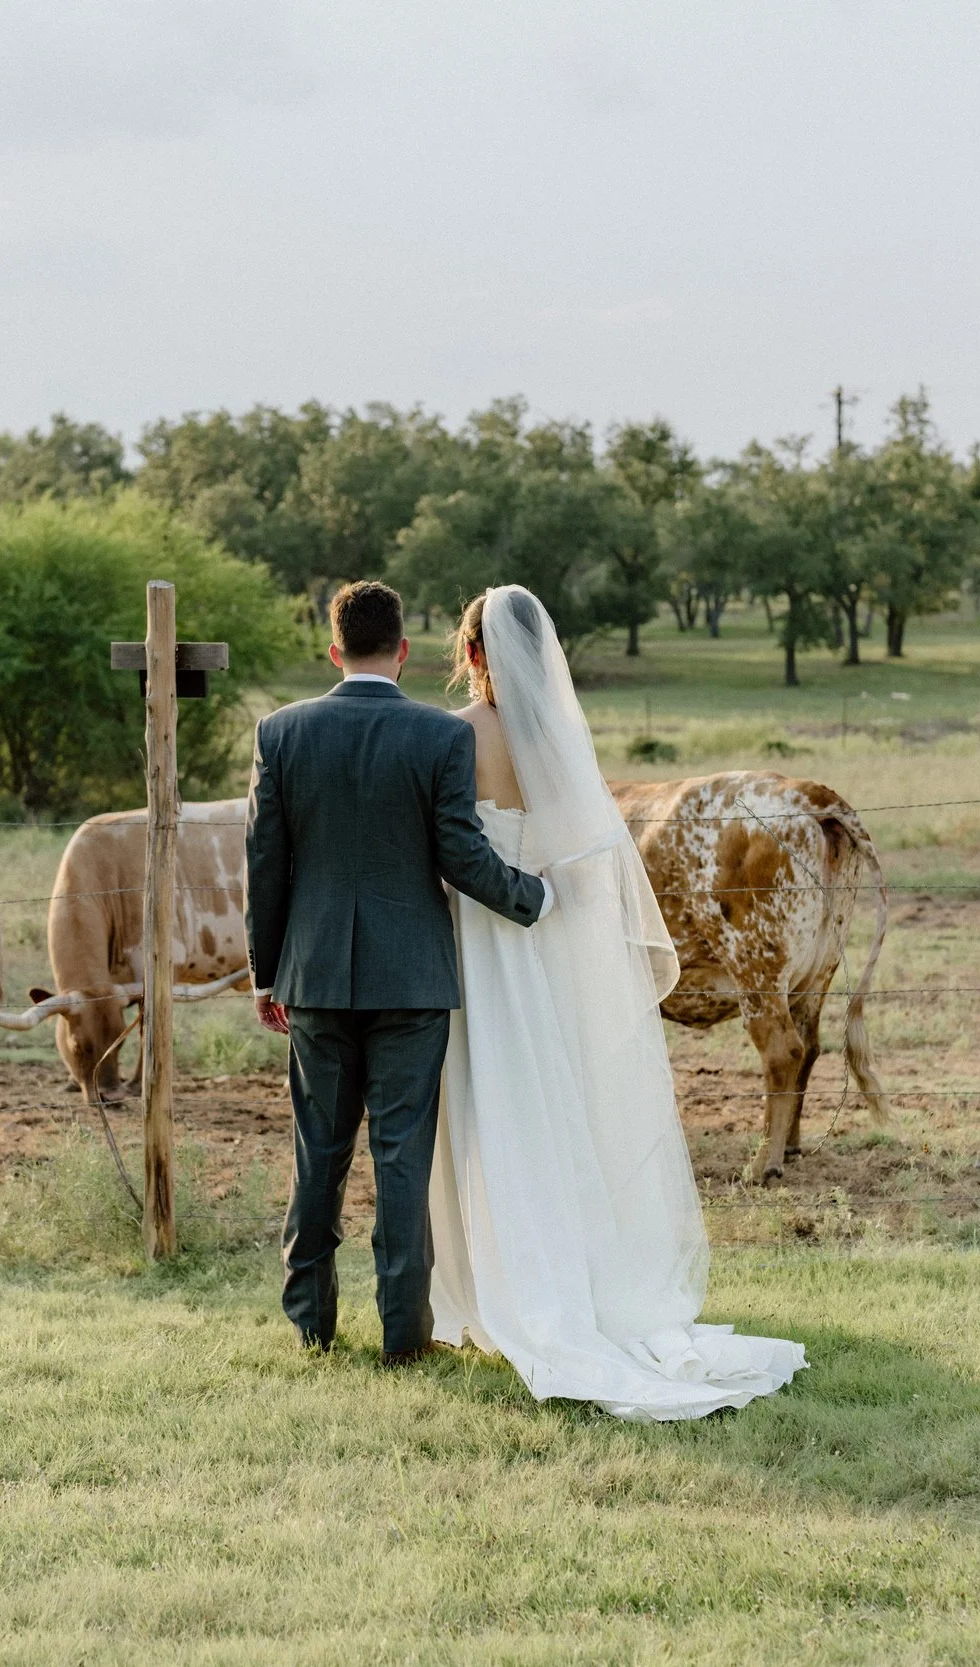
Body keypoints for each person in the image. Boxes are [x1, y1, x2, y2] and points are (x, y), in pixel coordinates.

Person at [426, 585, 804, 1420]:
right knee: (556, 1106)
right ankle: (584, 1275)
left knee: (492, 1107)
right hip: (547, 940)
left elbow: (446, 843)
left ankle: (507, 1288)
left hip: (481, 944)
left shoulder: (457, 734)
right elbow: (593, 857)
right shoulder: (562, 738)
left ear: (474, 654)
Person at [244, 580, 550, 1365]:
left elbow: (265, 865)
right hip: (413, 981)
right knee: (402, 1158)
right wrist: (533, 897)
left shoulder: (280, 733)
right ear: (405, 649)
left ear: (333, 648)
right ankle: (403, 1337)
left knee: (321, 1152)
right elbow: (461, 854)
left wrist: (266, 973)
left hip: (311, 980)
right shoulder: (437, 738)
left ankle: (311, 1325)